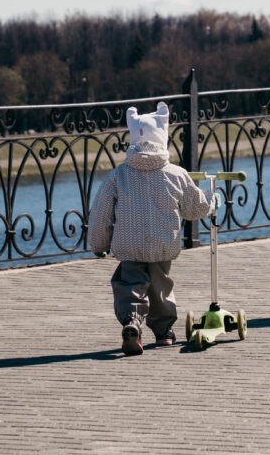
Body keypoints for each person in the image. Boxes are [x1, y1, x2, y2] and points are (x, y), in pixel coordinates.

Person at [90, 102, 215, 355]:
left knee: (130, 284)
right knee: (161, 286)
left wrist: (99, 244)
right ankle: (164, 332)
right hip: (163, 241)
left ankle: (131, 322)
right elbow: (195, 208)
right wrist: (211, 201)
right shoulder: (176, 174)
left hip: (129, 243)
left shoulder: (119, 175)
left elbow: (101, 213)